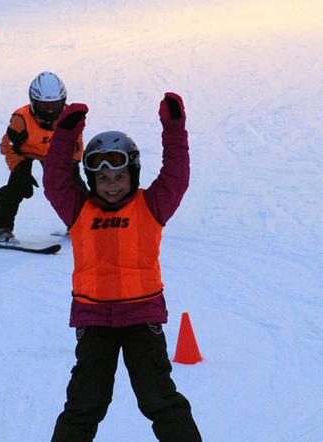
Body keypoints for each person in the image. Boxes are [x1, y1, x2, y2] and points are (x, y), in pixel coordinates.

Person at [43, 93, 202, 441]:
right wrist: (65, 132)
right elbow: (55, 181)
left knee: (158, 397)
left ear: (132, 173)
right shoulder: (79, 210)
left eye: (118, 176)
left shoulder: (152, 206)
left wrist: (173, 128)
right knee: (85, 402)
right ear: (90, 180)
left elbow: (177, 174)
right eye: (102, 179)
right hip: (94, 319)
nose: (111, 185)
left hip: (141, 318)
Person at [0, 71, 85, 243]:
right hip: (25, 153)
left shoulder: (69, 117)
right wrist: (19, 168)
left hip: (56, 153)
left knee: (74, 186)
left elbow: (76, 142)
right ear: (33, 102)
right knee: (16, 188)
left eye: (55, 105)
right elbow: (8, 145)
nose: (50, 111)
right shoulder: (21, 119)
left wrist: (71, 164)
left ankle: (83, 223)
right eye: (44, 106)